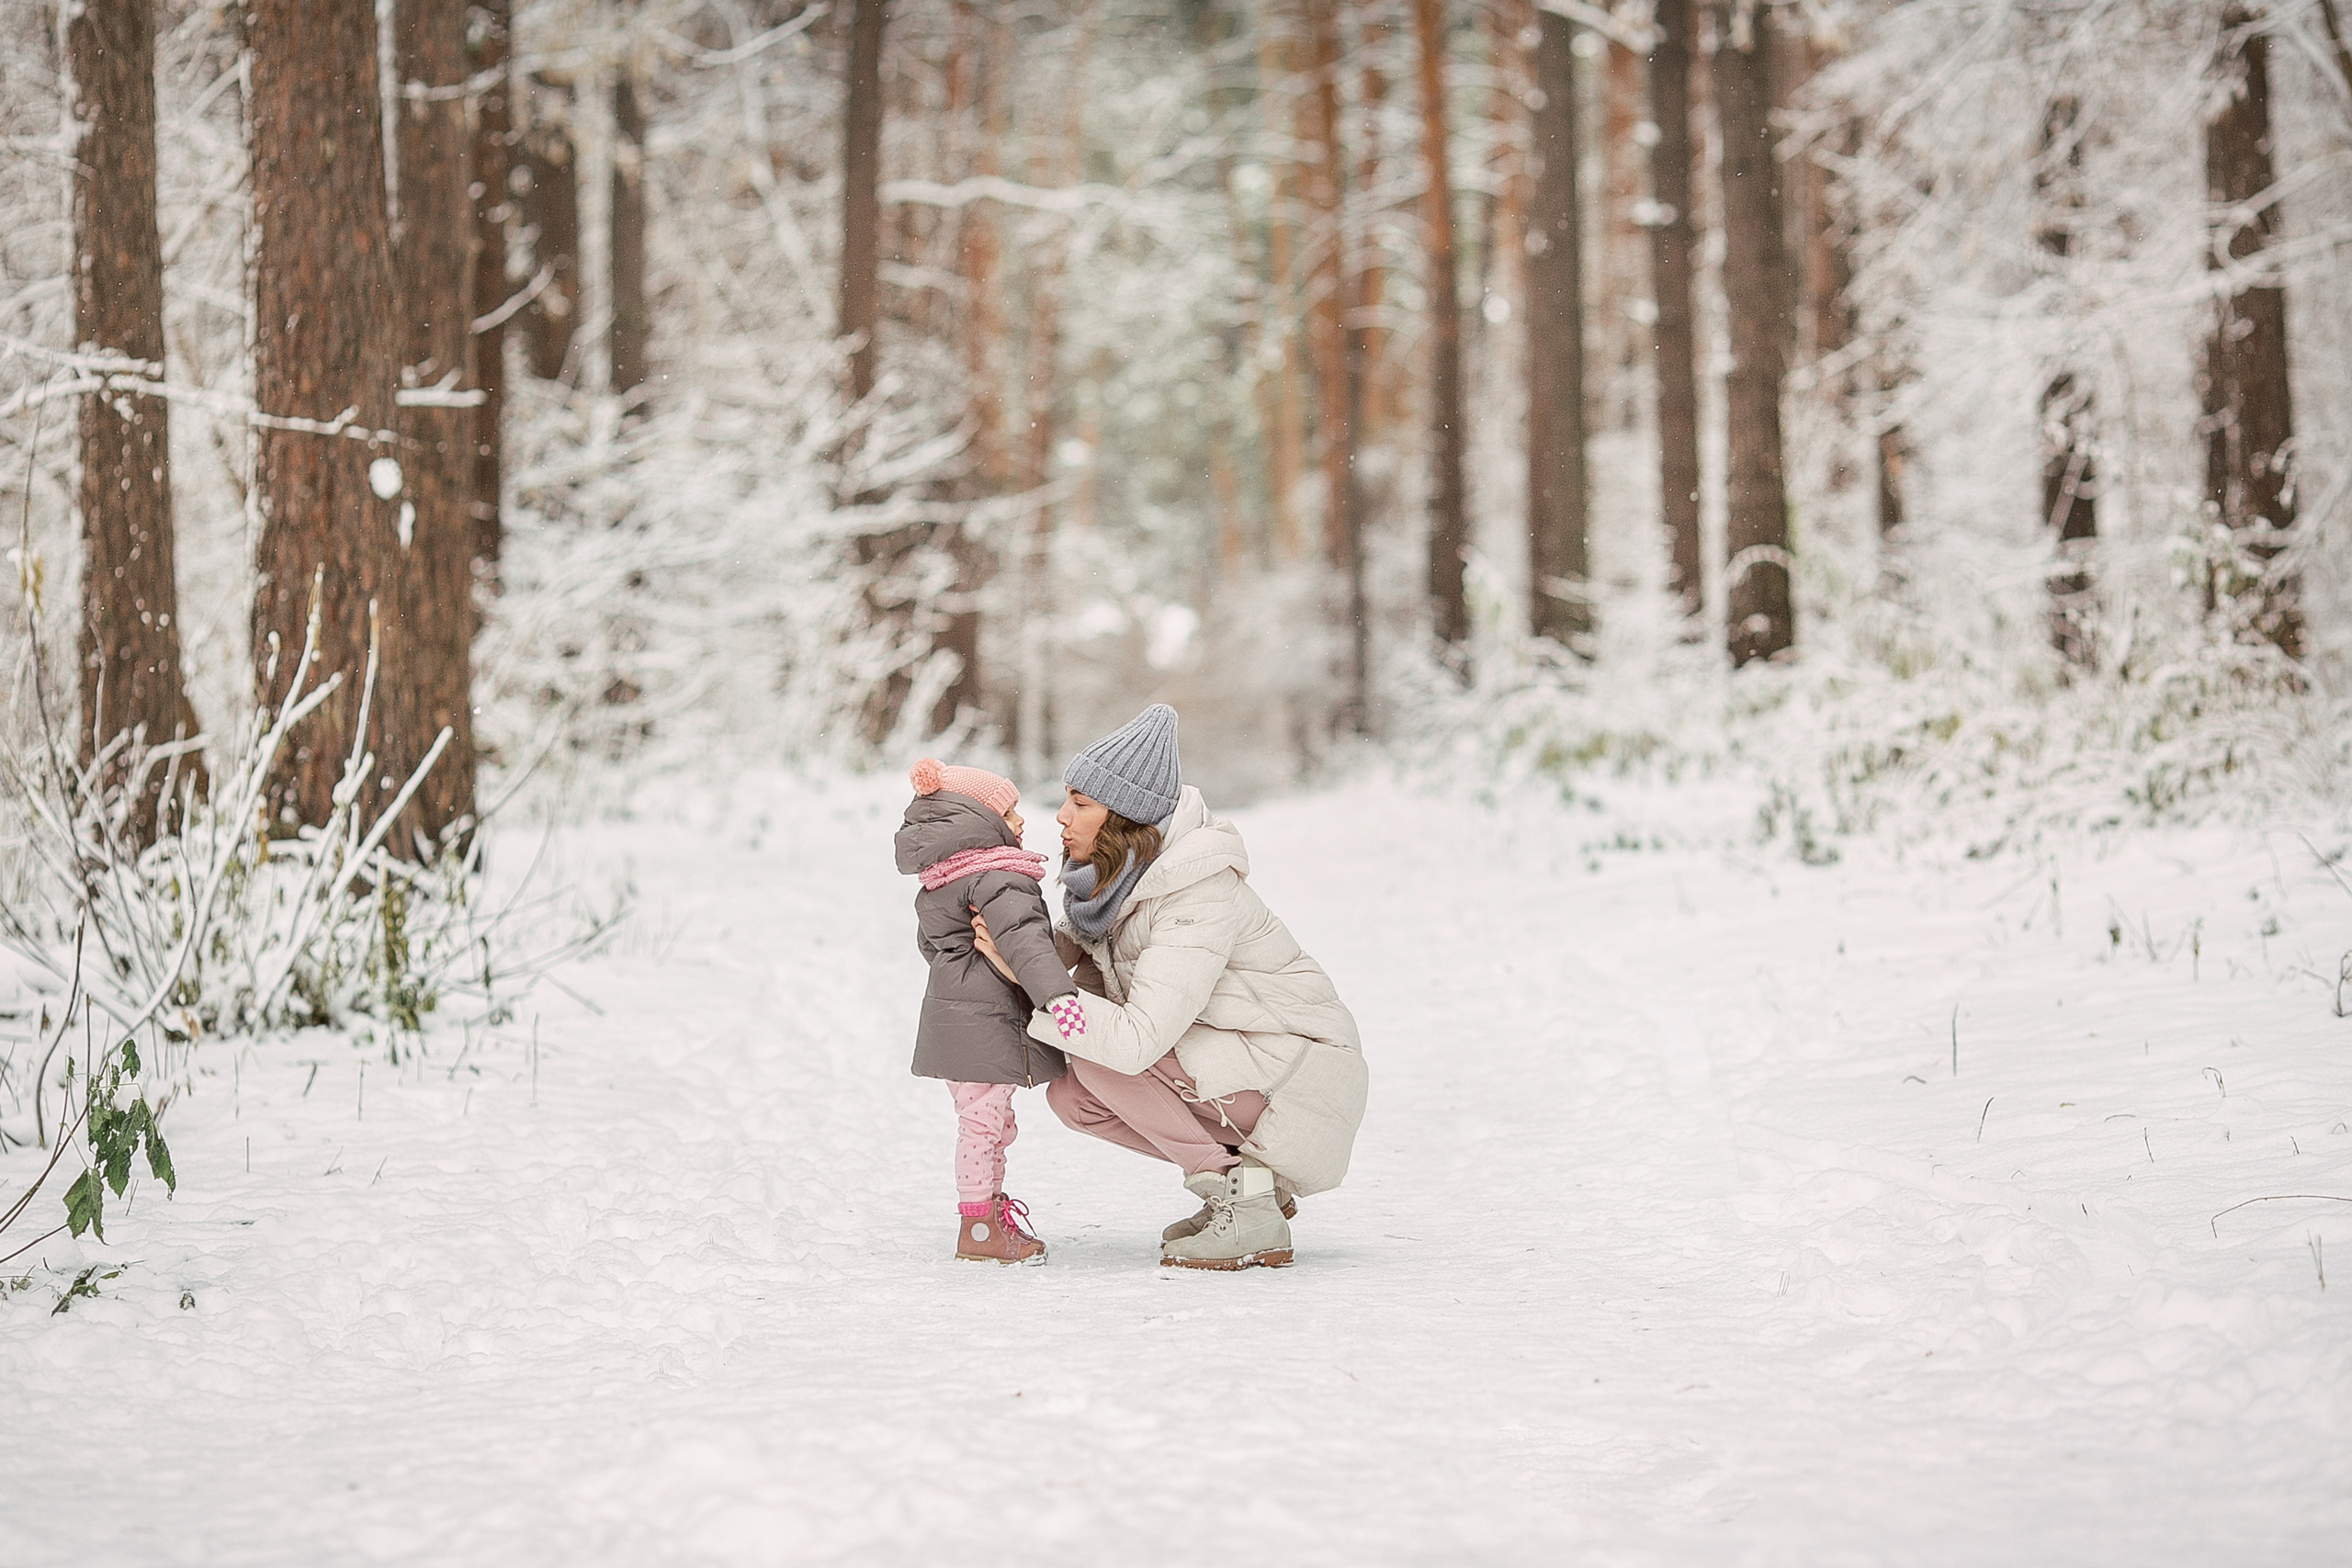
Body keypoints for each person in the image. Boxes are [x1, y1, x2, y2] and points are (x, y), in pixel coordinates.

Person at [973, 705, 1368, 1270]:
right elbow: (1088, 962)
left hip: (1299, 1082)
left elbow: (1136, 1040)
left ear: (1125, 819)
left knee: (1101, 1058)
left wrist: (1037, 983)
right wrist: (1013, 940)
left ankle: (1245, 1200)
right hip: (1247, 1067)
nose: (1060, 817)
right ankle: (1245, 1189)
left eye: (1081, 804)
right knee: (1073, 1098)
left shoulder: (1194, 895)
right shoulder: (1123, 885)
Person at [895, 759, 1088, 1266]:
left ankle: (989, 1212)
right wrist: (1058, 998)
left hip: (955, 1018)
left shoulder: (941, 879)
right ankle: (978, 1226)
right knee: (983, 1124)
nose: (1021, 822)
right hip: (986, 1019)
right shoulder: (997, 877)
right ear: (978, 820)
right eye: (1009, 811)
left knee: (990, 1122)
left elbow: (934, 946)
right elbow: (1027, 945)